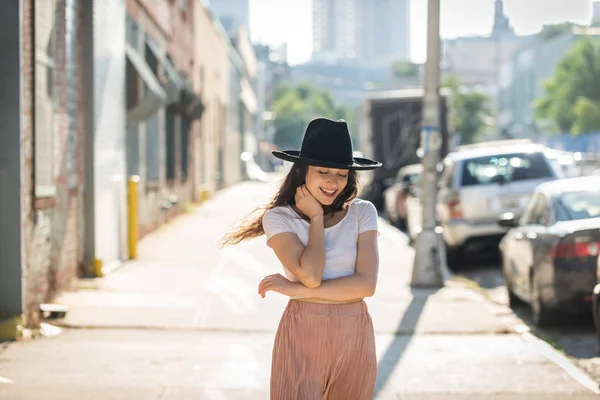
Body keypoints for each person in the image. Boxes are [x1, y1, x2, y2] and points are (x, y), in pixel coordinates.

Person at [221, 118, 382, 400]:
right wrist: (317, 218)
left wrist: (296, 291)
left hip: (354, 334)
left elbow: (366, 286)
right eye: (323, 171)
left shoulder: (363, 212)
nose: (333, 182)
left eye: (342, 174)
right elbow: (310, 275)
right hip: (302, 333)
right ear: (303, 172)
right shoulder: (279, 218)